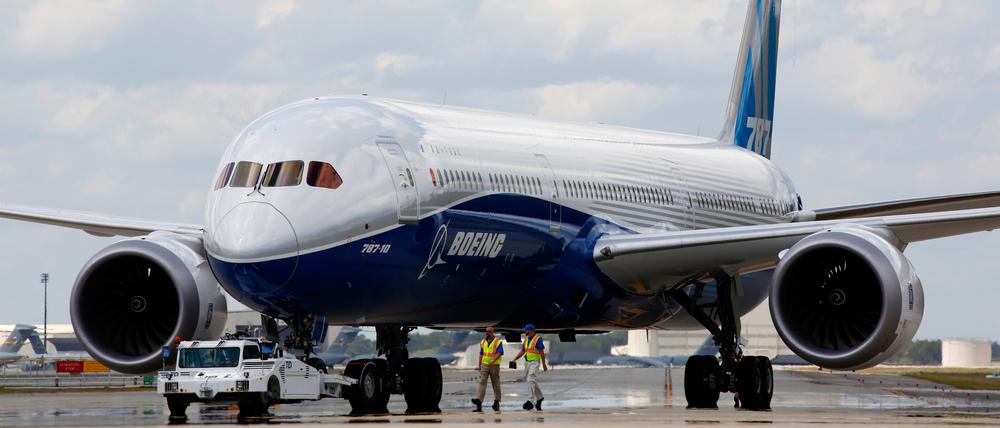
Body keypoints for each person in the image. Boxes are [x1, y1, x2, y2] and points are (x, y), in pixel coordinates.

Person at [512, 324, 547, 411]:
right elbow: (523, 350)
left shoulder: (537, 339)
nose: (525, 332)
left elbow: (542, 352)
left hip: (535, 363)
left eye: (526, 330)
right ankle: (540, 397)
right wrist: (515, 359)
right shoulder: (527, 339)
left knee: (530, 379)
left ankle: (530, 400)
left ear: (531, 330)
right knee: (532, 381)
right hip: (527, 363)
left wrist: (544, 364)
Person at [472, 327, 503, 412]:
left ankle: (497, 402)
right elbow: (481, 353)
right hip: (484, 365)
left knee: (495, 384)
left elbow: (500, 352)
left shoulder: (498, 342)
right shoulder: (483, 341)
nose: (487, 332)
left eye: (489, 331)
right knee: (482, 382)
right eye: (486, 331)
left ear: (493, 332)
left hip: (494, 365)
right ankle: (479, 402)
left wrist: (493, 361)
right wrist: (479, 364)